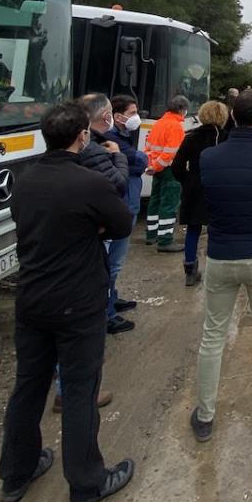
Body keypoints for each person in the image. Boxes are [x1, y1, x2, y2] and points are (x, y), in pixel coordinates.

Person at [0, 103, 135, 502]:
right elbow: (123, 223)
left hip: (32, 298)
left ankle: (15, 474)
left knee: (28, 386)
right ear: (82, 136)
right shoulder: (88, 182)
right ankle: (87, 483)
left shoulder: (24, 180)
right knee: (79, 390)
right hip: (78, 302)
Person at [190, 90, 252, 443]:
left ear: (233, 116)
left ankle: (205, 416)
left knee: (213, 334)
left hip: (221, 254)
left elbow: (208, 197)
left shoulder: (208, 157)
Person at [78, 94, 133, 335]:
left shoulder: (93, 142)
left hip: (104, 220)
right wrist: (119, 155)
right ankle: (107, 313)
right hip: (103, 222)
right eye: (132, 112)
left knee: (111, 268)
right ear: (107, 116)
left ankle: (111, 302)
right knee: (109, 267)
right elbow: (119, 181)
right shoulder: (95, 147)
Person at [173, 101, 229, 287]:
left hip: (195, 186)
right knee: (217, 229)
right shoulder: (225, 138)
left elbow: (176, 166)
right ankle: (217, 268)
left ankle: (190, 269)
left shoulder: (191, 137)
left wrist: (187, 180)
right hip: (218, 187)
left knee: (193, 229)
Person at [102, 95, 146, 323]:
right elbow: (138, 163)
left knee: (116, 261)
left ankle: (113, 297)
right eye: (132, 113)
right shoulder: (109, 138)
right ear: (117, 116)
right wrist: (138, 158)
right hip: (122, 205)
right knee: (112, 261)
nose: (136, 117)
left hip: (129, 202)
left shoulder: (124, 137)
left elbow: (136, 161)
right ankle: (107, 313)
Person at [144, 95, 190, 252]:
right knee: (169, 204)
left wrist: (153, 167)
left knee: (155, 200)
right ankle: (165, 240)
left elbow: (149, 147)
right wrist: (159, 165)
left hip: (157, 169)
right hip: (170, 170)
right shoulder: (176, 127)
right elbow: (171, 153)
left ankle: (151, 234)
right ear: (182, 110)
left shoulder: (159, 123)